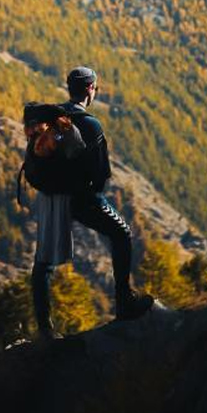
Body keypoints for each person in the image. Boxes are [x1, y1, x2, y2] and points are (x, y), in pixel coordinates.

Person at [31, 66, 154, 340]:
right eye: (95, 87)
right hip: (81, 198)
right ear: (90, 89)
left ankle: (45, 329)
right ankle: (124, 303)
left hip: (52, 197)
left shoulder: (54, 119)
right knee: (121, 233)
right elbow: (101, 174)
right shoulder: (90, 124)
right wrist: (90, 196)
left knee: (44, 262)